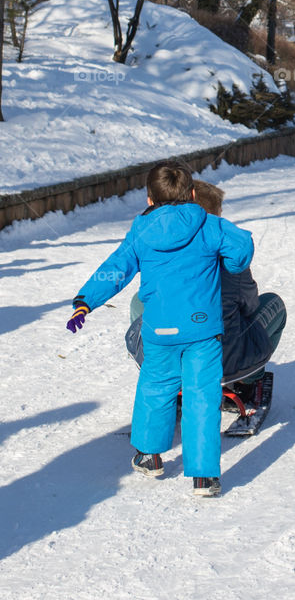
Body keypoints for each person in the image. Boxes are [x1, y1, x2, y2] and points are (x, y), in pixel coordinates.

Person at [65, 161, 254, 498]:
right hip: (202, 332)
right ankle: (204, 478)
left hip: (159, 332)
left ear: (150, 199)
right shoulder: (209, 225)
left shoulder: (141, 231)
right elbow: (241, 249)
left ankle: (150, 457)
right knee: (201, 397)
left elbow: (116, 267)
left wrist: (86, 300)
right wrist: (231, 262)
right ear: (193, 194)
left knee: (155, 389)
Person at [125, 180, 287, 403]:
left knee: (139, 303)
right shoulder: (229, 256)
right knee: (273, 304)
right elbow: (250, 307)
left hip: (167, 356)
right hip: (223, 363)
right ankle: (247, 381)